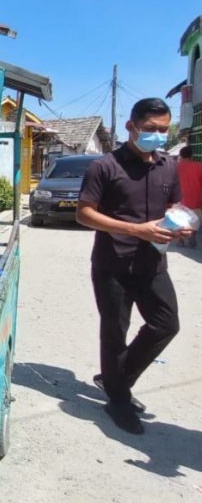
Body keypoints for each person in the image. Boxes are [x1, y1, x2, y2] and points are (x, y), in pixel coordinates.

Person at [76, 98, 193, 435]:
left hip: (153, 262)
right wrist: (135, 229)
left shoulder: (168, 165)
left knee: (166, 324)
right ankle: (118, 398)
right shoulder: (105, 166)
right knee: (115, 332)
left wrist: (179, 223)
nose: (158, 136)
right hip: (112, 265)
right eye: (151, 129)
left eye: (163, 130)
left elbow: (174, 203)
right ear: (131, 126)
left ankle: (115, 381)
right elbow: (84, 213)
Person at [176, 145, 202, 247]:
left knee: (179, 220)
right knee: (195, 220)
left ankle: (180, 239)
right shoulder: (199, 166)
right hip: (196, 200)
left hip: (178, 200)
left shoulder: (175, 166)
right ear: (192, 155)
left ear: (180, 155)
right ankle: (192, 238)